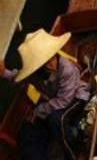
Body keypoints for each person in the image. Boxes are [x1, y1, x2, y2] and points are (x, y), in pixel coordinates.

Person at [1, 29, 88, 160]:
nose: (49, 64)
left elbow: (64, 101)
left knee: (56, 120)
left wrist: (38, 110)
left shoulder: (67, 69)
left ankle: (74, 145)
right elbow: (18, 77)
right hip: (53, 105)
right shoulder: (36, 72)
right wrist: (4, 73)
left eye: (51, 58)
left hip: (75, 99)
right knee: (25, 133)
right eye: (44, 62)